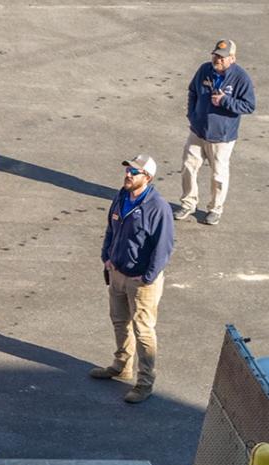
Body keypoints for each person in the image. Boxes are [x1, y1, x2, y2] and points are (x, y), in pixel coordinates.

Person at [91, 155, 175, 405]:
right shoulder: (121, 197)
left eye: (134, 172)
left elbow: (164, 247)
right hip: (117, 272)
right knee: (119, 321)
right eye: (128, 170)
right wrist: (106, 256)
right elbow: (110, 228)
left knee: (143, 331)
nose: (128, 175)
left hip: (141, 282)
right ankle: (121, 365)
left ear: (147, 178)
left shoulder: (158, 207)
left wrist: (147, 276)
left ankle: (145, 382)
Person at [177, 39, 256, 226]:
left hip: (222, 138)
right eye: (216, 55)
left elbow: (249, 105)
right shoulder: (205, 70)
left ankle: (215, 209)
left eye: (221, 57)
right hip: (198, 131)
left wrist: (224, 101)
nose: (217, 59)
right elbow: (192, 91)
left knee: (218, 175)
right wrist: (192, 115)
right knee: (188, 166)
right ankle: (188, 203)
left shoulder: (241, 78)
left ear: (232, 59)